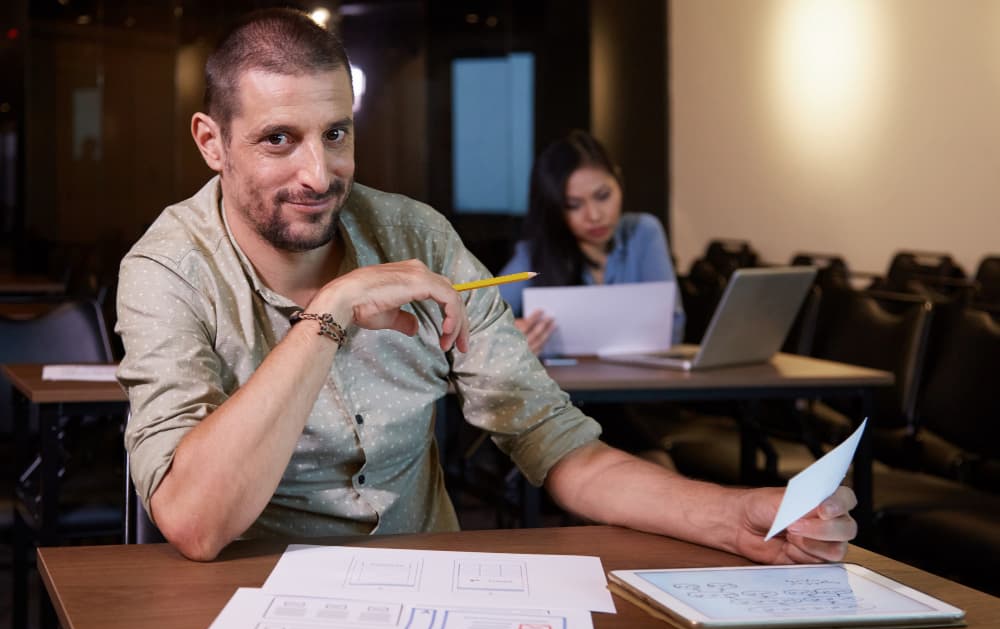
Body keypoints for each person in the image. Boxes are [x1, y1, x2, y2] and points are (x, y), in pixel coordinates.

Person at [115, 8, 856, 564]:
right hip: (249, 597)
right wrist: (331, 311)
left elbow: (554, 444)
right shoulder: (165, 271)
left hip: (430, 590)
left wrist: (737, 516)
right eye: (280, 139)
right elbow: (195, 521)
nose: (320, 173)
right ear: (212, 142)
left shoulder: (420, 237)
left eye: (336, 133)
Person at [498, 130, 685, 355]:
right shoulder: (535, 253)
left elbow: (672, 327)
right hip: (563, 386)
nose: (594, 215)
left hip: (639, 381)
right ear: (556, 209)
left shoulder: (644, 232)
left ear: (619, 181)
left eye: (603, 195)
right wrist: (511, 334)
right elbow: (478, 319)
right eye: (574, 205)